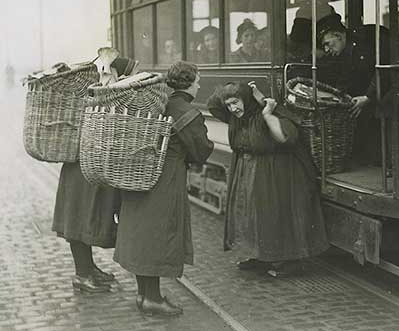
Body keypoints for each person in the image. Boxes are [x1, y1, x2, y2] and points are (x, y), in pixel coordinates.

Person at [113, 61, 213, 317]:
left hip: (139, 175)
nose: (199, 84)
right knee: (159, 236)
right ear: (189, 83)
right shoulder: (187, 111)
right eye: (198, 80)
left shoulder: (157, 101)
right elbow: (201, 150)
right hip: (165, 180)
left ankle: (144, 294)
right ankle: (154, 300)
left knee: (142, 236)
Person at [207, 82, 329, 277]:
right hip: (248, 170)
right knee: (251, 216)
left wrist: (266, 110)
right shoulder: (236, 117)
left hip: (275, 173)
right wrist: (239, 90)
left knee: (271, 216)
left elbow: (285, 138)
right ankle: (259, 256)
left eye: (235, 102)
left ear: (246, 99)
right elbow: (212, 105)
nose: (232, 108)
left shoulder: (271, 114)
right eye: (229, 105)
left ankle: (287, 262)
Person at [51, 59, 139, 293]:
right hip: (81, 168)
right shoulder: (95, 93)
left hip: (89, 168)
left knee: (85, 219)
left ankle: (89, 268)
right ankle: (82, 274)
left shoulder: (102, 92)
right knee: (78, 219)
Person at [317, 14, 390, 165]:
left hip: (387, 93)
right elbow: (344, 79)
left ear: (338, 36)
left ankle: (385, 162)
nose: (326, 49)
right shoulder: (343, 53)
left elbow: (383, 70)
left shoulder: (366, 42)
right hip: (370, 97)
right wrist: (338, 98)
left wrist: (368, 97)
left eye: (327, 43)